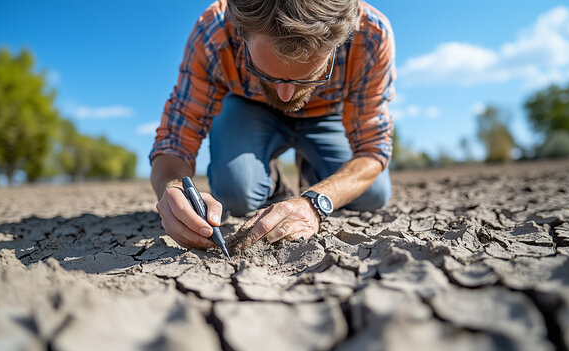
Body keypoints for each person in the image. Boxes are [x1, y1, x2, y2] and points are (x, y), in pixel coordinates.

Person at [150, 0, 396, 251]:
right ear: (241, 35)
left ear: (339, 43)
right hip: (249, 109)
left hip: (327, 116)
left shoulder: (372, 35)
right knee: (237, 193)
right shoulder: (213, 30)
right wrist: (172, 186)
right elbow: (175, 140)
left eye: (308, 76)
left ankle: (312, 171)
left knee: (372, 194)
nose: (285, 95)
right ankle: (273, 180)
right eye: (266, 74)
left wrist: (315, 202)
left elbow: (372, 150)